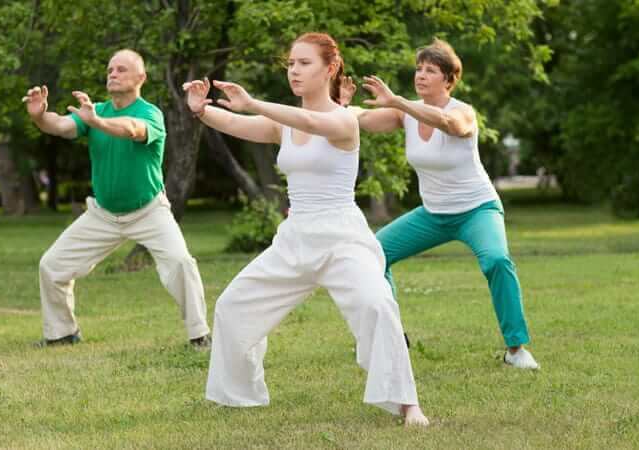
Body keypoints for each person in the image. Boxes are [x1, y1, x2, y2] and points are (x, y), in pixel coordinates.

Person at [183, 32, 429, 425]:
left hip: (342, 238)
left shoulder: (345, 120)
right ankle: (238, 395)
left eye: (304, 63)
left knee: (377, 305)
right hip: (295, 238)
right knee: (232, 306)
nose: (294, 71)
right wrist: (201, 111)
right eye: (291, 64)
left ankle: (406, 402)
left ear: (330, 69)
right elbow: (237, 122)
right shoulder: (284, 124)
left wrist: (253, 102)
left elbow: (311, 120)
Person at [341, 38, 539, 369]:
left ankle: (516, 349)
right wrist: (339, 105)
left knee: (496, 261)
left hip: (477, 209)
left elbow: (451, 125)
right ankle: (391, 338)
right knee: (374, 255)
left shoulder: (462, 111)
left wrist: (399, 101)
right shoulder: (404, 114)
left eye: (430, 70)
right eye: (418, 68)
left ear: (448, 80)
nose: (421, 75)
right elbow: (358, 120)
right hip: (433, 214)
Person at [22, 49, 210, 348]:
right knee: (52, 265)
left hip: (149, 211)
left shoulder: (149, 114)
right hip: (103, 214)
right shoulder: (94, 111)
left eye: (121, 69)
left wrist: (96, 122)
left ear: (141, 78)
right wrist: (39, 116)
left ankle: (200, 335)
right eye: (110, 69)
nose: (113, 73)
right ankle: (62, 334)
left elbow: (131, 129)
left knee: (180, 263)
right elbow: (59, 125)